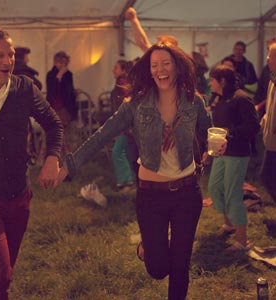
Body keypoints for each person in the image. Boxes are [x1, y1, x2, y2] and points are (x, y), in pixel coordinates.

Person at [57, 38, 214, 300]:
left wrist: (212, 149)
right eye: (154, 65)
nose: (160, 69)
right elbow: (101, 136)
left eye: (166, 63)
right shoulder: (135, 105)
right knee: (158, 268)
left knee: (180, 265)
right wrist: (70, 164)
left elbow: (208, 133)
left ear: (177, 67)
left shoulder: (193, 102)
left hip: (187, 193)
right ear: (149, 70)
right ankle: (149, 249)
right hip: (151, 195)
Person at [0, 27, 63, 300]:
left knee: (6, 272)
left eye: (10, 54)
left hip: (19, 195)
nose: (7, 61)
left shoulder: (24, 88)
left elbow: (53, 124)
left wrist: (52, 158)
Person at [207, 65, 260, 251]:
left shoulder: (241, 98)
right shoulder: (219, 98)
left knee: (232, 194)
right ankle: (229, 224)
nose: (209, 82)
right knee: (214, 187)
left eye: (212, 79)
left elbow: (254, 127)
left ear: (222, 81)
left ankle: (242, 240)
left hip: (237, 153)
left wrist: (231, 132)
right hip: (222, 151)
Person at [110, 59, 136, 190]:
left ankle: (126, 181)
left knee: (117, 151)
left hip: (125, 126)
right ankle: (131, 180)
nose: (113, 70)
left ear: (124, 70)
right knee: (126, 152)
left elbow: (124, 105)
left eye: (116, 68)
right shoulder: (122, 82)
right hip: (125, 125)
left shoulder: (123, 83)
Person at [260, 42, 276, 201]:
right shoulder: (272, 81)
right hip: (271, 141)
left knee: (268, 177)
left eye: (270, 55)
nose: (267, 59)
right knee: (267, 178)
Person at [46, 51, 77, 127]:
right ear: (56, 63)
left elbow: (69, 90)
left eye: (64, 63)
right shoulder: (51, 74)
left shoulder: (68, 74)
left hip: (67, 106)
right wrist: (59, 76)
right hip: (56, 106)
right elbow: (52, 90)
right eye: (60, 62)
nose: (62, 65)